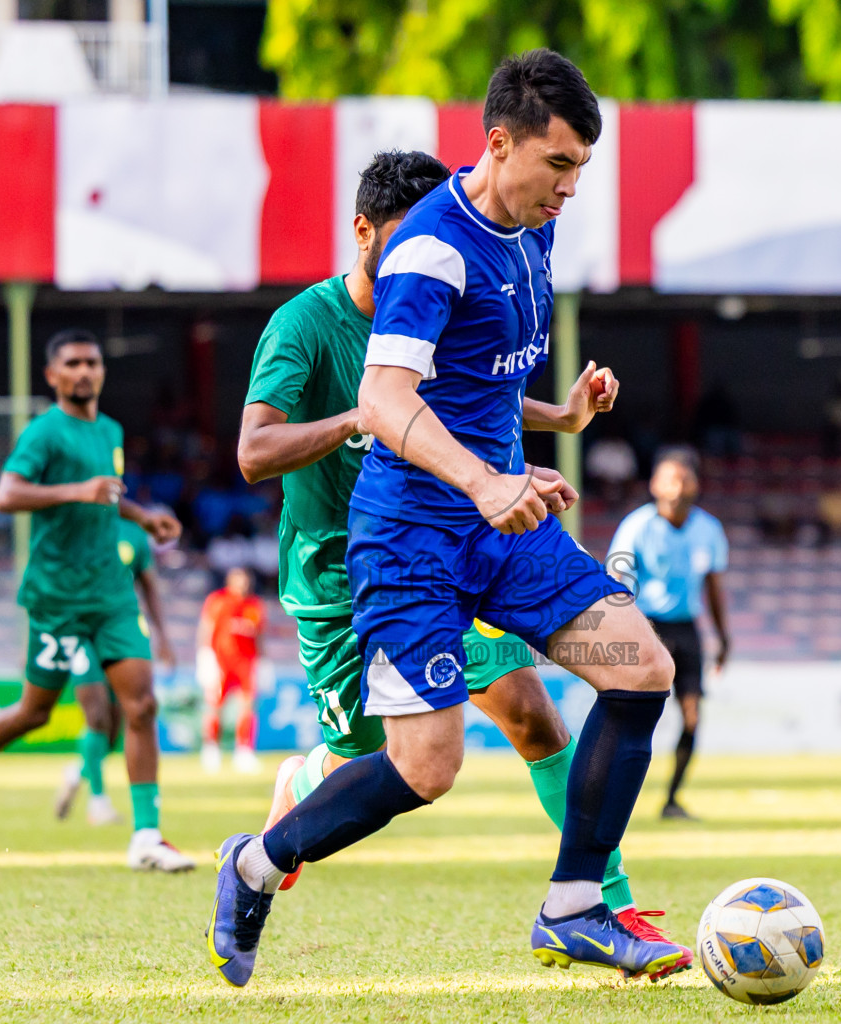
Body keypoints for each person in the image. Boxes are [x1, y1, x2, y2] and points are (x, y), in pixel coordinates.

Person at [208, 51, 687, 988]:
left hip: (501, 524)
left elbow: (479, 380)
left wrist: (547, 431)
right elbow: (385, 399)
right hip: (411, 538)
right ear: (498, 142)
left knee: (641, 670)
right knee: (425, 766)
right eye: (558, 166)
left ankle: (576, 905)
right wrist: (485, 481)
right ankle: (256, 863)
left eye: (581, 169)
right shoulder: (430, 248)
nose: (570, 188)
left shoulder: (530, 230)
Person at [0, 329, 194, 872]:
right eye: (72, 363)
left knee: (140, 705)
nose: (84, 371)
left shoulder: (110, 429)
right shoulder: (44, 433)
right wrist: (76, 491)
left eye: (92, 362)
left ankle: (146, 836)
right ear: (53, 375)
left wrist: (143, 517)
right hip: (58, 599)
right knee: (34, 712)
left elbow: (107, 495)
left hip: (111, 594)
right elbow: (6, 495)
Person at [607, 447, 730, 821]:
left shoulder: (708, 528)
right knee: (632, 718)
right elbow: (616, 582)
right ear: (655, 485)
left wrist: (724, 636)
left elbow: (712, 587)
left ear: (695, 484)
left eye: (684, 478)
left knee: (692, 717)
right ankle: (611, 800)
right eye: (670, 479)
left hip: (687, 629)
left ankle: (672, 800)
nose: (677, 487)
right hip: (647, 627)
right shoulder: (637, 526)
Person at [53, 515, 178, 825]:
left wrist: (163, 637)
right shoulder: (76, 526)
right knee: (95, 716)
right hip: (81, 633)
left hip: (121, 637)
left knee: (114, 729)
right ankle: (99, 802)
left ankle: (79, 771)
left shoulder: (134, 534)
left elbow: (149, 586)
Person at [197, 566, 265, 774]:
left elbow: (259, 636)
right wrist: (205, 656)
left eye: (245, 580)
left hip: (246, 663)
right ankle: (211, 748)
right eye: (239, 580)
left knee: (247, 706)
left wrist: (263, 661)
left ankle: (244, 751)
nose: (243, 584)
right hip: (221, 661)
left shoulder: (255, 605)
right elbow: (206, 628)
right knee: (215, 705)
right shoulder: (218, 601)